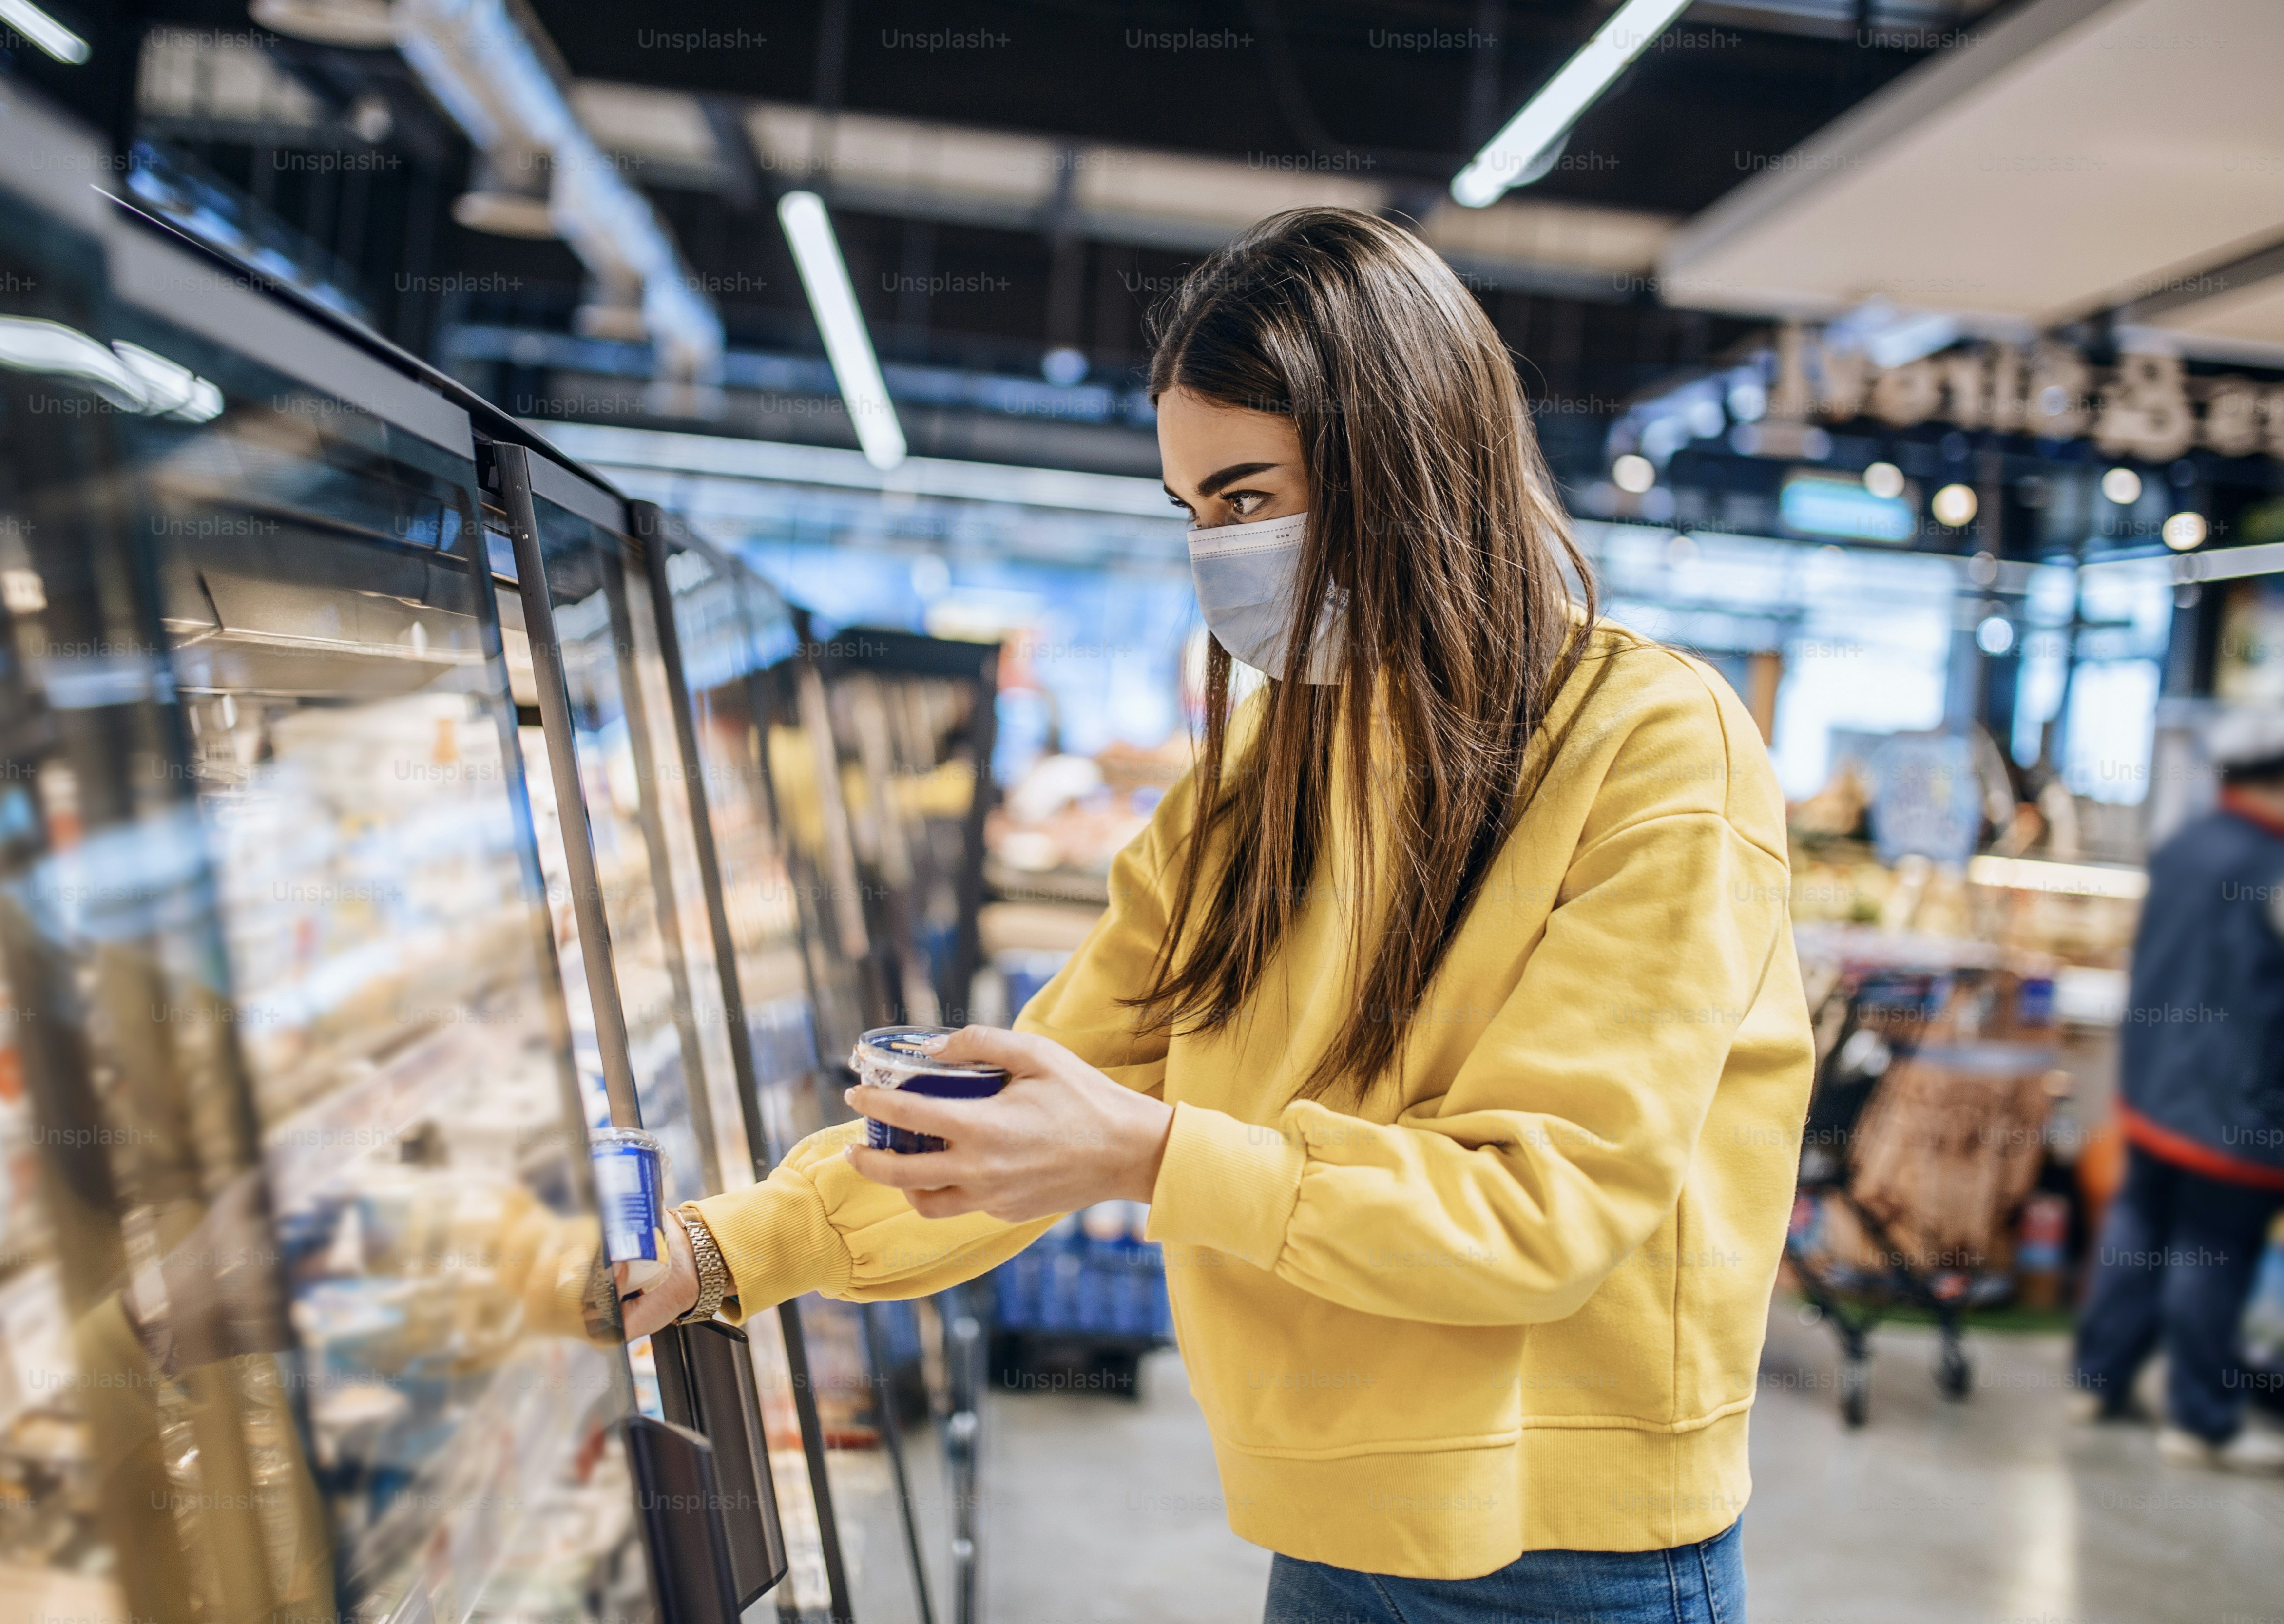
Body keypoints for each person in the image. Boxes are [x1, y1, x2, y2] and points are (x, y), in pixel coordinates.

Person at [628, 208, 1811, 1624]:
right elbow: (1019, 1099)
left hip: (1571, 1554)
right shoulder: (1265, 770)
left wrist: (1147, 1151)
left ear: (1402, 459)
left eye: (1245, 499)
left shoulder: (1652, 747)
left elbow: (1540, 1210)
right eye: (1191, 510)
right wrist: (720, 1250)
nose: (1215, 553)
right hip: (1327, 1524)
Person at [2071, 709, 2284, 1472]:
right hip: (2238, 1106)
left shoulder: (2184, 844)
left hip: (2155, 1087)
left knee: (2138, 1224)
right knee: (2214, 1249)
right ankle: (2200, 1417)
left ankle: (2097, 1378)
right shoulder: (2273, 866)